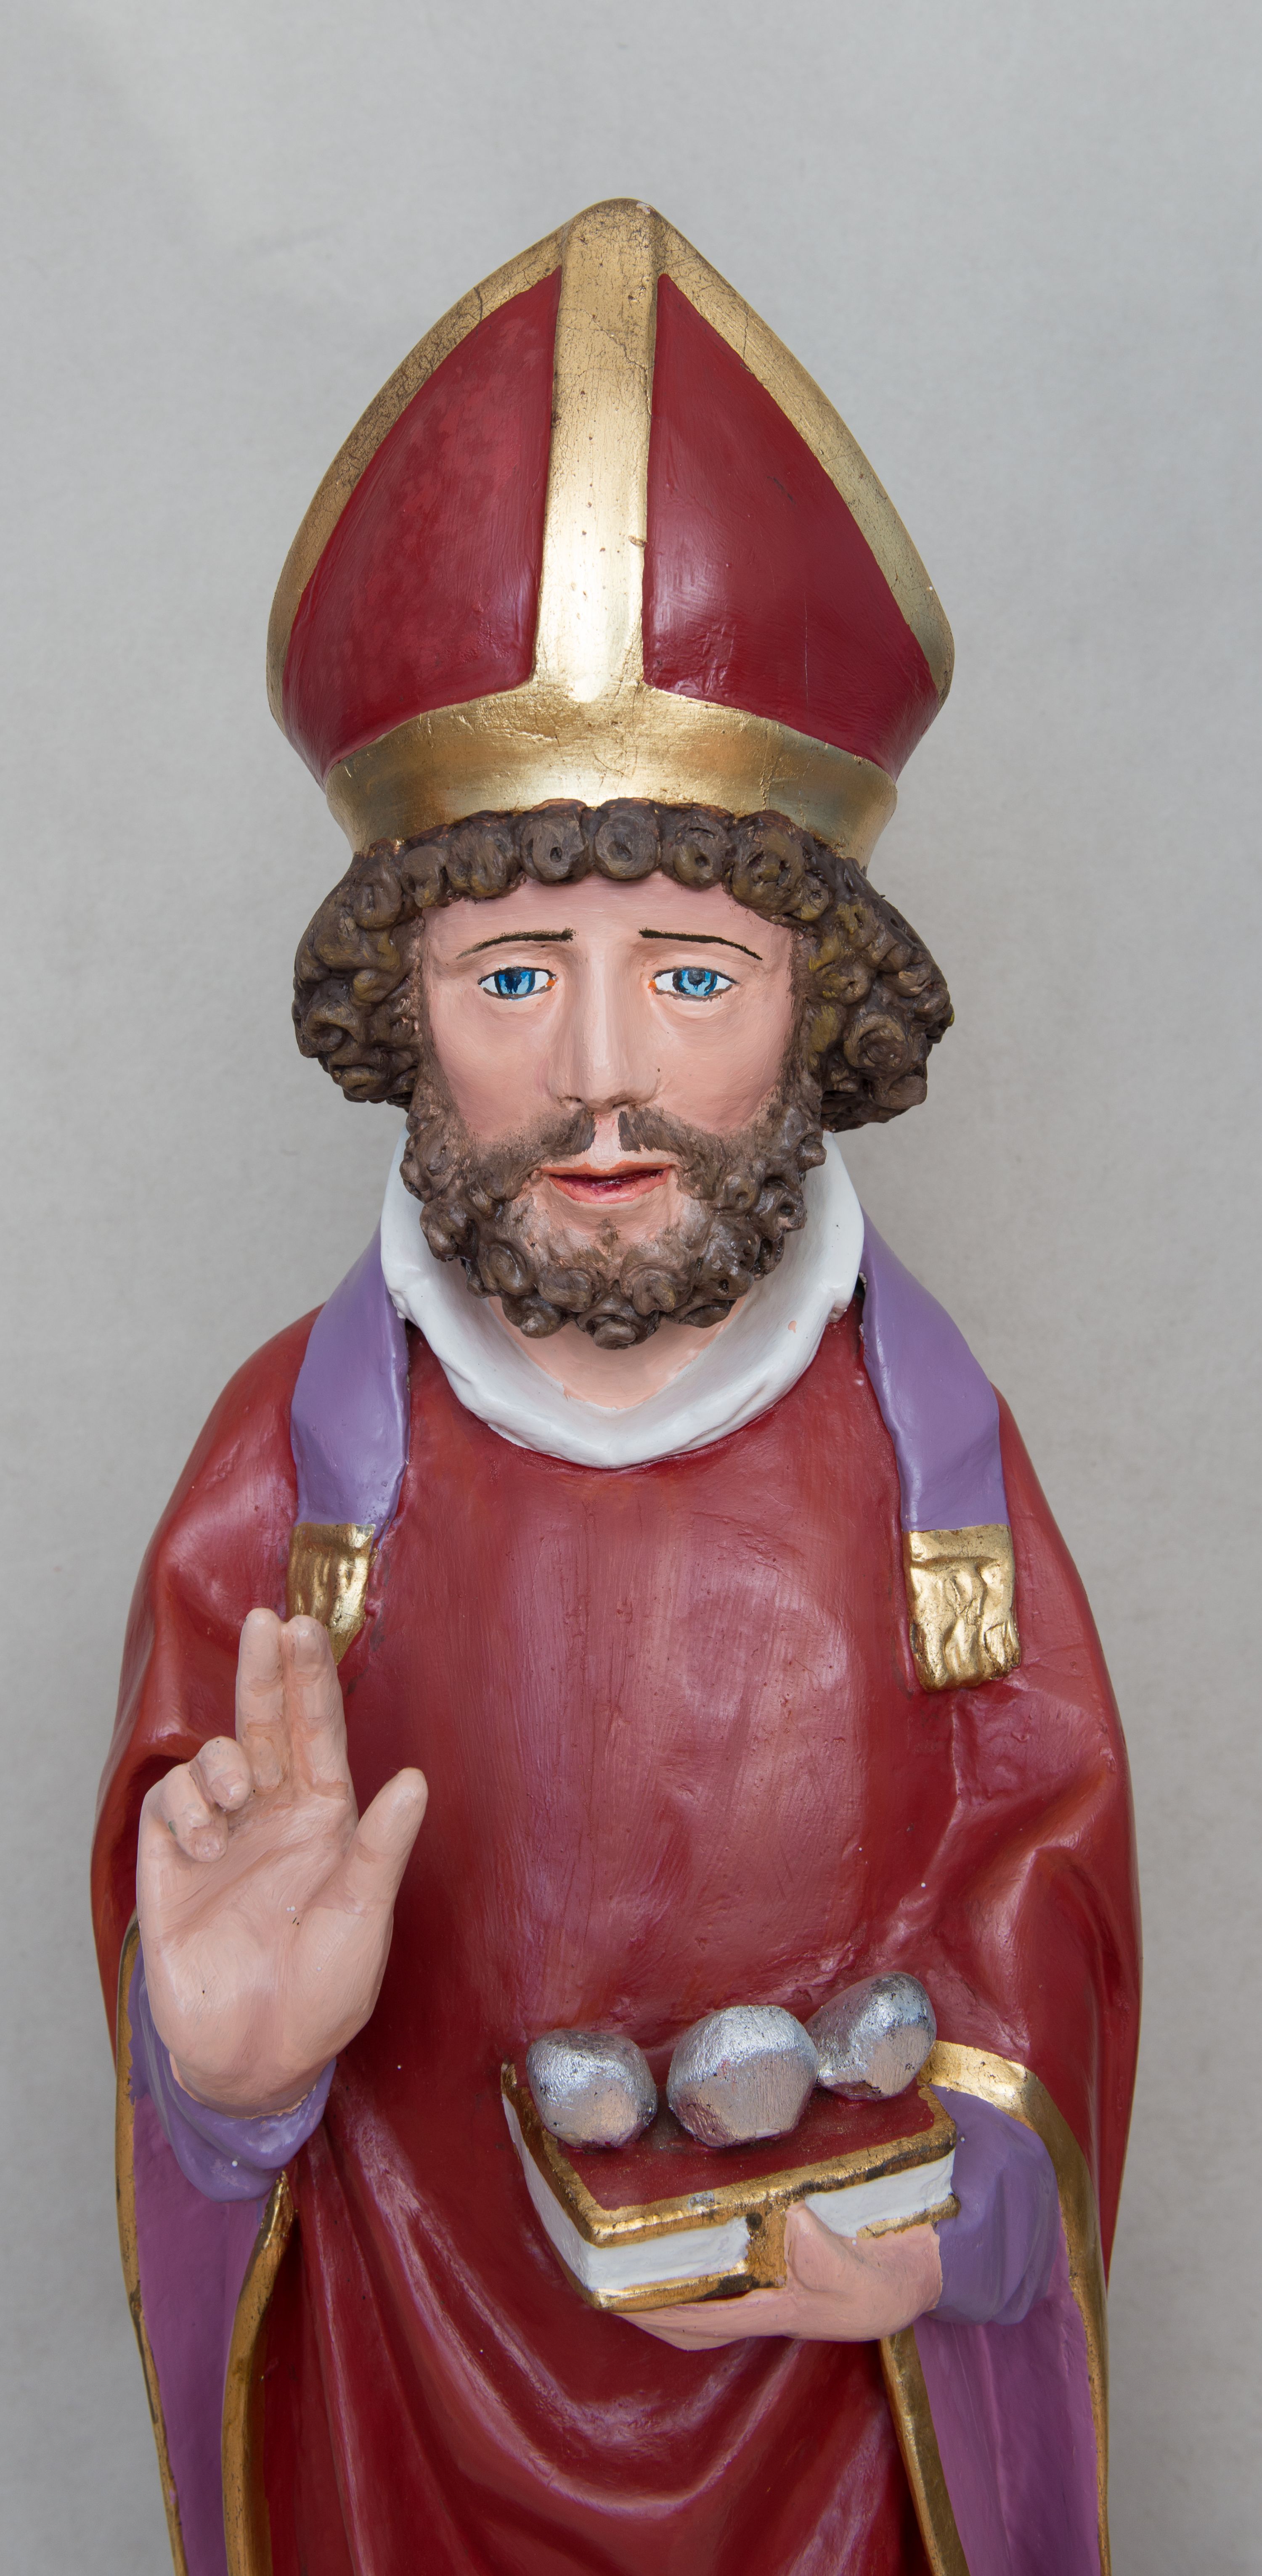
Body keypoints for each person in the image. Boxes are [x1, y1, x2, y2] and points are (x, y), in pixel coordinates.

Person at [93, 201, 1139, 2576]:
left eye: (687, 975)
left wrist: (960, 2203)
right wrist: (222, 2077)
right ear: (396, 1007)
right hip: (406, 2399)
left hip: (820, 2437)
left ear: (818, 1005)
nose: (595, 1077)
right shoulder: (290, 1477)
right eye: (506, 978)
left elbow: (1048, 1907)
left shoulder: (932, 1475)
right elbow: (188, 1913)